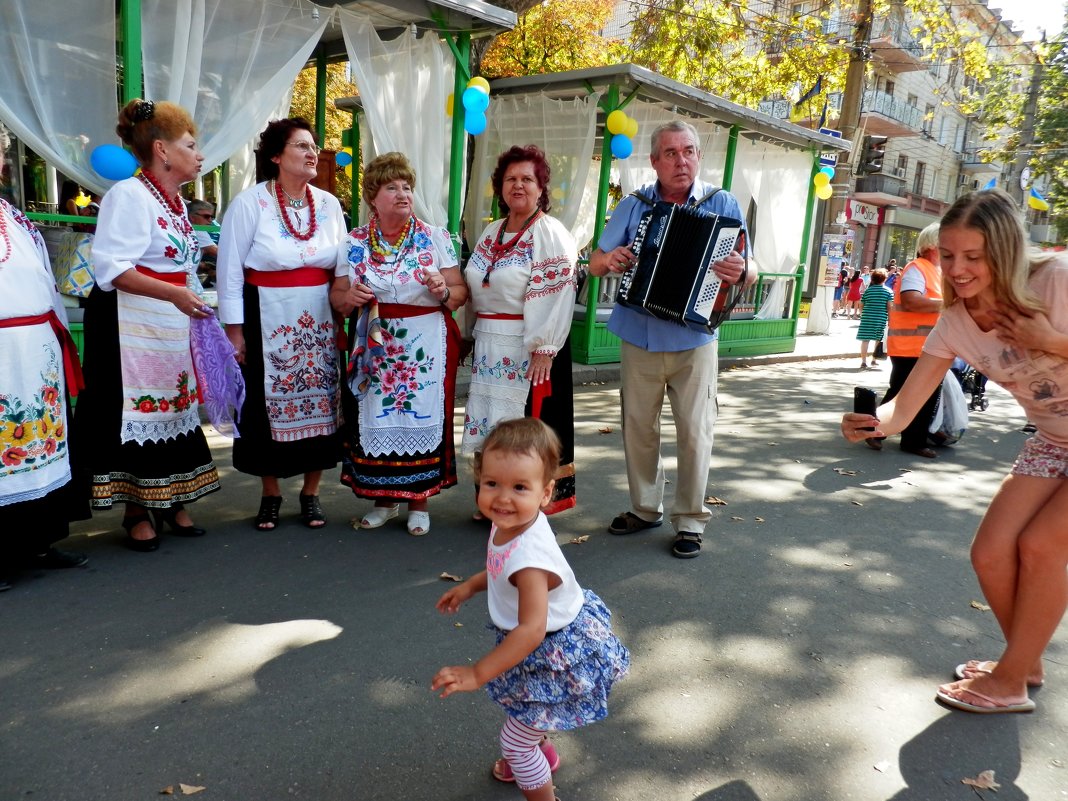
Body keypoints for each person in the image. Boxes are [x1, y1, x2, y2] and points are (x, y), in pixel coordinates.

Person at [842, 189, 1068, 714]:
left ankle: (1011, 680)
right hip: (1054, 439)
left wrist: (1052, 340)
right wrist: (873, 422)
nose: (958, 269)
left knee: (1042, 546)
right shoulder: (955, 322)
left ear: (1007, 250)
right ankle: (1024, 661)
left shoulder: (1054, 281)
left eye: (974, 256)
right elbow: (906, 405)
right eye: (948, 255)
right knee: (989, 553)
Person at [432, 418, 630, 800]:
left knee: (516, 742)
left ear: (545, 492)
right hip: (538, 644)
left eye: (520, 487)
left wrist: (478, 672)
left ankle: (535, 774)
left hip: (552, 650)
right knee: (529, 708)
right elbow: (498, 565)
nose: (502, 498)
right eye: (492, 484)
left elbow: (531, 630)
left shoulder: (531, 561)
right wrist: (472, 585)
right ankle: (540, 750)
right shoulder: (511, 521)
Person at [588, 120, 755, 558]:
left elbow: (750, 268)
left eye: (688, 152)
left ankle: (691, 520)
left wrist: (742, 270)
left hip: (695, 337)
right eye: (670, 153)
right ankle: (645, 508)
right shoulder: (634, 204)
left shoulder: (723, 203)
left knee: (695, 431)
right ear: (654, 161)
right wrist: (612, 260)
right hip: (639, 333)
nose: (680, 161)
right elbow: (596, 260)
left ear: (698, 156)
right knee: (639, 428)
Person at [75, 99, 219, 551]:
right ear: (162, 149)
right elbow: (113, 268)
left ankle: (171, 496)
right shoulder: (128, 195)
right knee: (136, 410)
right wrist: (175, 294)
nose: (199, 154)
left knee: (173, 407)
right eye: (190, 145)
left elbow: (182, 264)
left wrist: (197, 302)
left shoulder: (174, 203)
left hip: (167, 320)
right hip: (128, 321)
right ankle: (137, 508)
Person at [217, 118, 347, 531]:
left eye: (313, 146)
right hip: (264, 313)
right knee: (261, 403)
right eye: (300, 146)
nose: (312, 153)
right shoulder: (250, 203)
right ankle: (270, 493)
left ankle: (311, 493)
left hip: (319, 315)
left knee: (322, 399)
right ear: (276, 156)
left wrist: (345, 311)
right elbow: (230, 271)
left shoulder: (328, 205)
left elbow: (344, 266)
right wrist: (234, 331)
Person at [331, 152, 466, 536]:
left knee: (418, 414)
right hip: (373, 343)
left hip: (423, 343)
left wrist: (443, 290)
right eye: (392, 187)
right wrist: (350, 298)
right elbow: (337, 297)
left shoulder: (435, 237)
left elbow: (460, 293)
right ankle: (384, 500)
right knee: (376, 414)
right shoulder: (354, 242)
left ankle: (419, 501)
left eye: (407, 187)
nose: (403, 194)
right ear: (373, 196)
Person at [461, 145, 578, 516]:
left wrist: (544, 347)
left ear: (541, 188)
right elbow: (475, 286)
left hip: (530, 349)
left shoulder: (550, 233)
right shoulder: (492, 232)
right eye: (511, 179)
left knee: (525, 430)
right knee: (493, 427)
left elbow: (557, 294)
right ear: (500, 187)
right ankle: (495, 500)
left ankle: (529, 505)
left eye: (527, 179)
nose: (518, 185)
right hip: (489, 345)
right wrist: (467, 333)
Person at [0, 123, 89, 591]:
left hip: (35, 351)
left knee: (42, 447)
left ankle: (38, 541)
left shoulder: (15, 217)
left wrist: (59, 342)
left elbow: (46, 286)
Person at [879, 222, 943, 457]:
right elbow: (911, 301)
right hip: (910, 346)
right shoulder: (918, 267)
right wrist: (951, 304)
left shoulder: (935, 271)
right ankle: (872, 429)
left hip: (928, 347)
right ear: (934, 244)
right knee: (901, 393)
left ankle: (911, 440)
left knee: (923, 394)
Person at [856, 268, 892, 371]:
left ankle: (863, 361)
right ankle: (874, 359)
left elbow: (861, 304)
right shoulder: (888, 291)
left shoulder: (868, 290)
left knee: (865, 340)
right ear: (884, 279)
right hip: (880, 318)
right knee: (878, 339)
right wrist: (890, 319)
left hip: (867, 317)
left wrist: (862, 314)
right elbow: (890, 307)